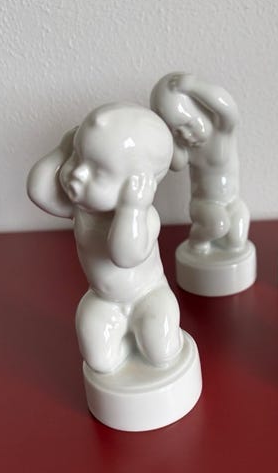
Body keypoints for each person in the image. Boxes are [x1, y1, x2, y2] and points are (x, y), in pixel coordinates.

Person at [27, 103, 183, 373]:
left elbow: (124, 255)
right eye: (77, 157)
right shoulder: (83, 209)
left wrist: (133, 208)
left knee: (162, 355)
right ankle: (124, 349)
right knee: (100, 363)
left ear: (138, 186)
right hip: (104, 300)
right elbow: (38, 191)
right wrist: (63, 149)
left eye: (97, 171)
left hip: (149, 296)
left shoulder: (146, 218)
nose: (77, 173)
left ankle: (158, 341)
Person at [151, 73, 250, 254]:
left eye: (188, 124)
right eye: (177, 131)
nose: (186, 135)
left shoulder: (222, 132)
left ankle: (220, 245)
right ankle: (196, 242)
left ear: (202, 110)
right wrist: (167, 133)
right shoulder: (187, 149)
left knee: (236, 243)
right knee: (219, 225)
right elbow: (176, 165)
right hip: (204, 205)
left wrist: (194, 87)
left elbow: (229, 110)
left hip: (233, 202)